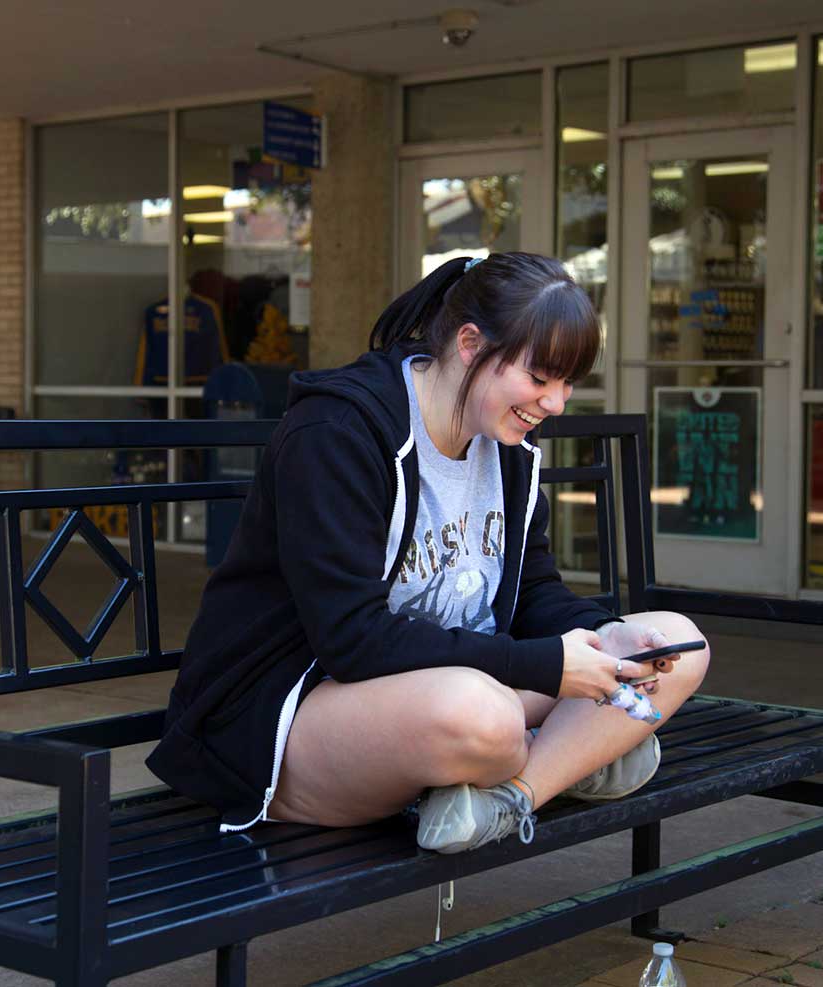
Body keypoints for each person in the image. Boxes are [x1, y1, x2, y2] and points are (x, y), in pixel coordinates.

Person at [147, 252, 711, 854]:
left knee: (678, 644)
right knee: (483, 717)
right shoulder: (338, 432)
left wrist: (604, 636)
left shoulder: (506, 445)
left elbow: (533, 591)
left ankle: (509, 797)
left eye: (569, 383)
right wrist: (549, 668)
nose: (556, 404)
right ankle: (574, 758)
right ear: (470, 343)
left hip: (446, 693)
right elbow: (351, 639)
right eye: (541, 378)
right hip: (289, 717)